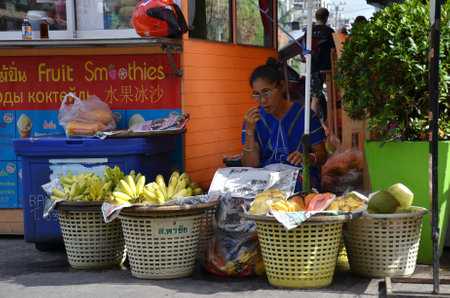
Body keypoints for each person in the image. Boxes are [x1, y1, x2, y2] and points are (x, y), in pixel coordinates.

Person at [241, 58, 328, 191]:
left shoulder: (305, 116)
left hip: (299, 177)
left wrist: (307, 158)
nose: (262, 100)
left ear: (281, 87)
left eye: (267, 92)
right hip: (266, 178)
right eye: (257, 95)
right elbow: (250, 165)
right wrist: (249, 133)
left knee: (294, 187)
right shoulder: (254, 119)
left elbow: (322, 155)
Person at [300, 7, 336, 123]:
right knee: (332, 97)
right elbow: (333, 52)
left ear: (316, 17)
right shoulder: (329, 32)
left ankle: (311, 126)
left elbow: (303, 52)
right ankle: (331, 125)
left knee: (315, 97)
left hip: (314, 70)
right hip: (328, 70)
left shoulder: (308, 31)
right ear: (326, 18)